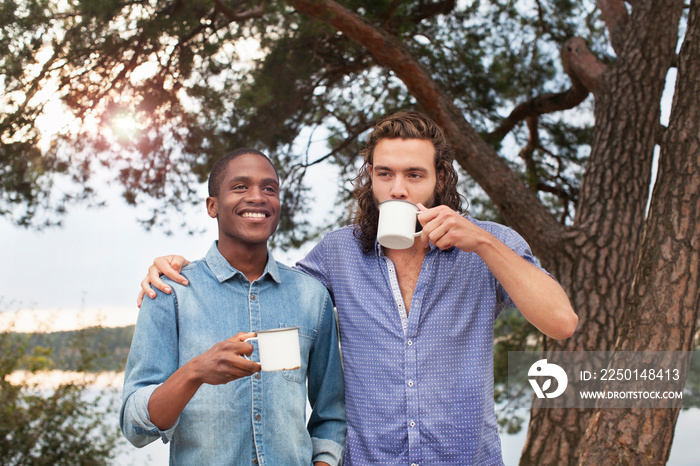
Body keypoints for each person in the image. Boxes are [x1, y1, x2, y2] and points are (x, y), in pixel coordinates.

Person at [138, 112, 578, 465]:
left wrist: (481, 242)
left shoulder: (488, 242)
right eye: (384, 174)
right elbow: (265, 290)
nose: (398, 190)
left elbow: (561, 323)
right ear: (370, 176)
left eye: (414, 175)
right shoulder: (337, 254)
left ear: (441, 177)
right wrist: (183, 267)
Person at [121, 148, 346, 466]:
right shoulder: (170, 293)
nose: (257, 197)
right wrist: (195, 372)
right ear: (212, 206)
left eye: (269, 188)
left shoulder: (312, 296)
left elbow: (333, 416)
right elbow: (134, 425)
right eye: (240, 187)